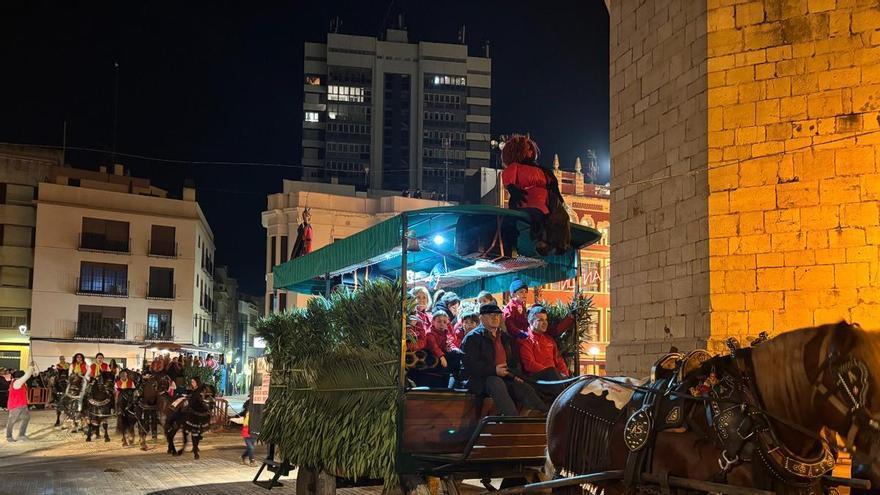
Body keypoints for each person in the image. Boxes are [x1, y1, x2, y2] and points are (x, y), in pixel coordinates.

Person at [460, 304, 547, 416]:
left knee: (523, 386)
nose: (495, 318)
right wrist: (494, 370)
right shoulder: (472, 338)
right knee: (495, 382)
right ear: (481, 318)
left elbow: (512, 361)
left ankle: (544, 414)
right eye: (491, 315)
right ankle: (512, 420)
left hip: (504, 376)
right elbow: (470, 366)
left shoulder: (504, 337)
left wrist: (515, 375)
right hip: (479, 380)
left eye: (497, 315)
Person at [500, 134, 569, 255]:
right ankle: (541, 241)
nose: (531, 151)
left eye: (531, 148)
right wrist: (513, 190)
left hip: (546, 202)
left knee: (562, 218)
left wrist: (557, 195)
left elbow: (552, 182)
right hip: (527, 200)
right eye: (528, 148)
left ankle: (560, 243)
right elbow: (507, 179)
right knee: (538, 218)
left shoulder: (542, 170)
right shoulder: (515, 167)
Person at [520, 306, 570, 400]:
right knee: (552, 372)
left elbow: (559, 360)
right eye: (540, 320)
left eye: (546, 320)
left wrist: (565, 374)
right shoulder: (526, 340)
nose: (545, 323)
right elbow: (529, 365)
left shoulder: (549, 340)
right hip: (538, 380)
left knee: (577, 381)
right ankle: (567, 403)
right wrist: (553, 373)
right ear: (531, 322)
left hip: (555, 378)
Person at [6, 364, 36, 442]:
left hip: (22, 404)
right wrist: (31, 367)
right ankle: (9, 436)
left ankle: (21, 435)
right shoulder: (17, 382)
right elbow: (27, 376)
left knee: (26, 418)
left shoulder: (20, 383)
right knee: (11, 421)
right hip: (15, 405)